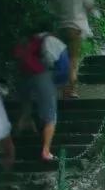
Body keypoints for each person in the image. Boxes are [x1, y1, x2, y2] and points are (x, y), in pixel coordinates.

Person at [14, 29, 68, 162]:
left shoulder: (29, 41)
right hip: (43, 76)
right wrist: (57, 83)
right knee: (50, 117)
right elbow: (64, 68)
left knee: (25, 113)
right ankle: (46, 151)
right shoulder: (56, 42)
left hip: (23, 77)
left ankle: (13, 146)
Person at [49, 0, 96, 100]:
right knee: (73, 61)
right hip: (76, 29)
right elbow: (91, 5)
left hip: (62, 29)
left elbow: (54, 10)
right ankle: (72, 90)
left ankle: (62, 89)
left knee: (62, 60)